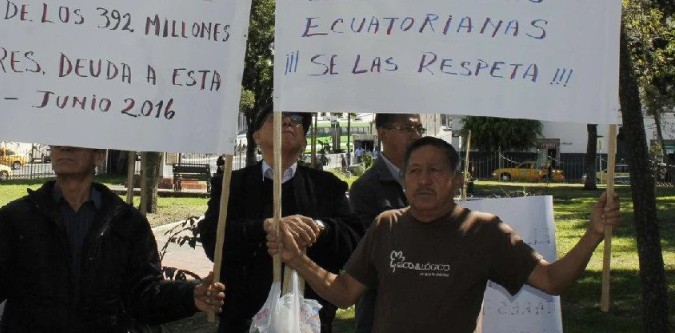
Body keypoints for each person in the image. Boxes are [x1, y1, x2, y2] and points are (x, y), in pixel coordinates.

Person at [266, 137, 621, 333]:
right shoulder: (386, 225)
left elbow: (551, 281)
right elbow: (344, 295)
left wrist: (592, 234)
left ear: (457, 180)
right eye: (415, 171)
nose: (423, 180)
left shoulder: (484, 231)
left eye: (435, 170)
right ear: (403, 179)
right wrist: (297, 259)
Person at [0, 145, 225, 333]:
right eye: (58, 139)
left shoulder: (127, 222)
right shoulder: (16, 218)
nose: (65, 147)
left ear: (99, 156)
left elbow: (144, 297)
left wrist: (191, 297)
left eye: (77, 139)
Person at [199, 103, 364, 333]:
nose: (288, 122)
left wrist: (316, 228)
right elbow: (212, 240)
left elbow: (353, 241)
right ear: (256, 135)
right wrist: (265, 228)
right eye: (276, 117)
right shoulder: (231, 185)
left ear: (304, 140)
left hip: (309, 322)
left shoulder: (327, 186)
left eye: (296, 119)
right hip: (243, 322)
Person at [347, 113, 424, 333]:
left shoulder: (431, 182)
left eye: (419, 129)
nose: (416, 136)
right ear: (382, 133)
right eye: (408, 129)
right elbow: (370, 253)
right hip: (382, 313)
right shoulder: (365, 189)